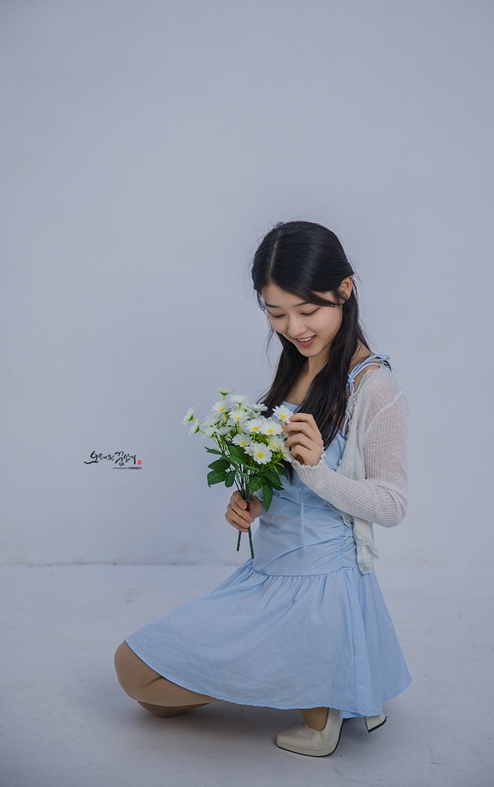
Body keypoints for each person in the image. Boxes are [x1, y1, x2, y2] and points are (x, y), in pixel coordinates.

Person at [114, 220, 411, 757]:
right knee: (149, 693)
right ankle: (328, 681)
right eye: (277, 313)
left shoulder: (375, 387)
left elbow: (392, 505)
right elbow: (287, 479)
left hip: (316, 586)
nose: (294, 328)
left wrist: (317, 472)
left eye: (308, 310)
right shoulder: (297, 366)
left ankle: (324, 693)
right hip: (270, 570)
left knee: (136, 675)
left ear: (345, 288)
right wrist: (254, 499)